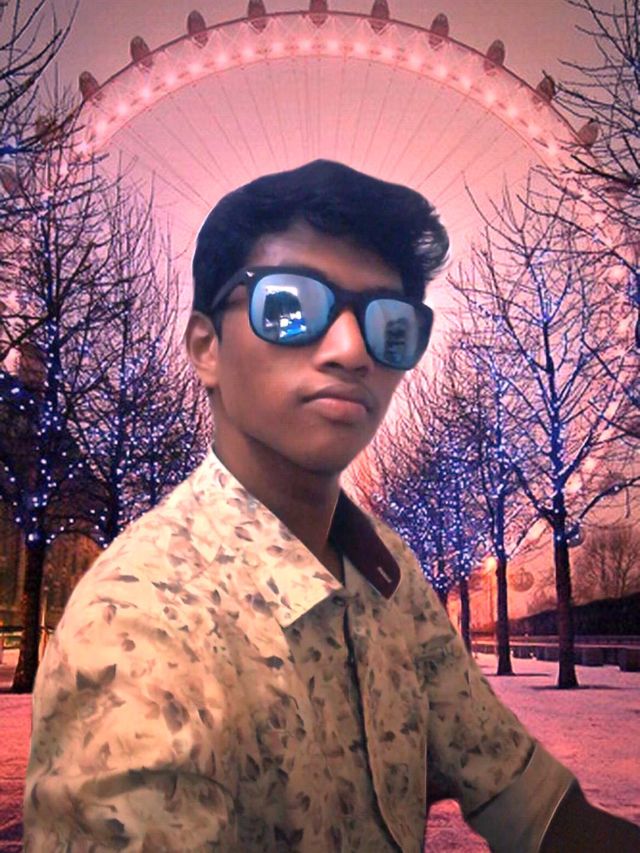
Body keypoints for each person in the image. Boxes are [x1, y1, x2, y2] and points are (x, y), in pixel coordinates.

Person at [24, 160, 640, 852]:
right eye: (289, 307)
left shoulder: (387, 571)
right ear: (206, 348)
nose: (352, 351)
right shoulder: (136, 630)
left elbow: (526, 803)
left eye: (391, 326)